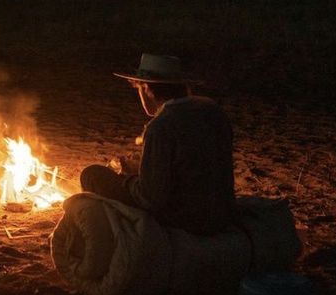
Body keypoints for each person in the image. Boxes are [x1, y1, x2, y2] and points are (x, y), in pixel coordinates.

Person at [80, 53, 236, 236]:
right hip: (222, 211)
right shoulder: (212, 110)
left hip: (187, 219)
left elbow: (152, 198)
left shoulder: (161, 125)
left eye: (139, 89)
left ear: (146, 88)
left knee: (92, 174)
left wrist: (129, 179)